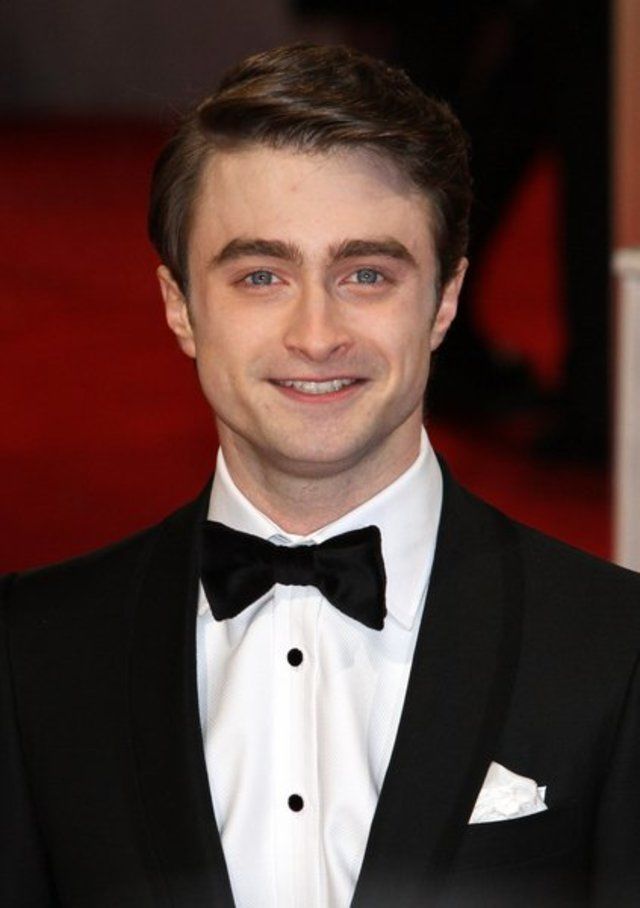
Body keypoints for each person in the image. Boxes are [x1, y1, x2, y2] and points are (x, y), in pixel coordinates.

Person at [2, 44, 639, 908]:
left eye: (366, 274)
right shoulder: (33, 653)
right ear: (180, 306)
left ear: (445, 301)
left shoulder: (617, 647)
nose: (315, 334)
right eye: (261, 276)